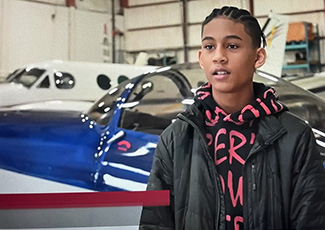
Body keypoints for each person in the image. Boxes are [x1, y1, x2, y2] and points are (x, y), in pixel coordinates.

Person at [139, 6, 325, 230]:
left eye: (232, 46)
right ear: (201, 58)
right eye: (209, 47)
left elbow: (312, 221)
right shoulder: (175, 139)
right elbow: (154, 223)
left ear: (258, 56)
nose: (219, 56)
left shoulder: (295, 137)